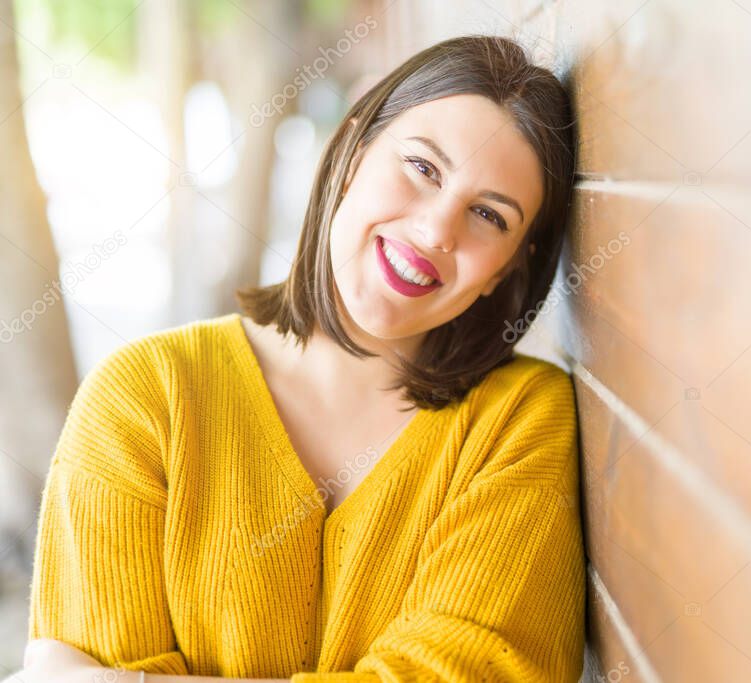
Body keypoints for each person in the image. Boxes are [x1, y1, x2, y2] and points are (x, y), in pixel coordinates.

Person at [18, 34, 583, 683]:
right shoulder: (145, 396)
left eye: (488, 214)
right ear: (352, 154)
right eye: (422, 168)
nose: (434, 231)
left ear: (504, 271)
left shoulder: (517, 420)